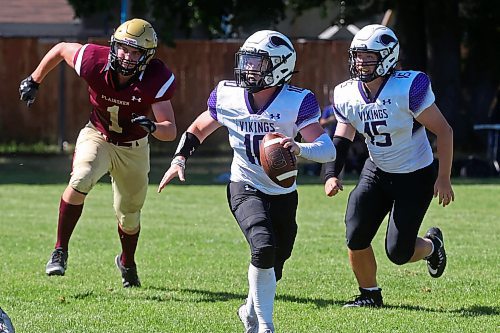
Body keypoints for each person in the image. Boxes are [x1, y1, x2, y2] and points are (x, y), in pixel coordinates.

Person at [158, 30, 336, 333]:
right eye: (247, 61)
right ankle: (264, 326)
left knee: (276, 261)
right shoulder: (228, 94)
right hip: (244, 185)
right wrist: (179, 159)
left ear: (279, 66)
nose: (249, 68)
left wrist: (299, 148)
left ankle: (249, 310)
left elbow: (327, 149)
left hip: (282, 191)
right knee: (263, 247)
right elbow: (199, 127)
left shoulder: (298, 101)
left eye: (257, 62)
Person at [18, 18, 177, 288]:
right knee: (81, 177)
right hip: (98, 134)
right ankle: (60, 250)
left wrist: (152, 127)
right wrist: (34, 79)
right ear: (113, 46)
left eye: (135, 51)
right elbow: (60, 49)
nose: (126, 56)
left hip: (133, 148)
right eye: (123, 48)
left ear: (146, 56)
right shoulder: (94, 59)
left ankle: (127, 261)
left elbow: (170, 130)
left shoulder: (155, 78)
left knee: (129, 215)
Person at [323, 24, 454, 307]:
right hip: (377, 171)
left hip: (415, 175)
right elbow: (343, 136)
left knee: (398, 252)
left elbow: (444, 131)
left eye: (369, 56)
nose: (361, 62)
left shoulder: (408, 86)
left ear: (388, 57)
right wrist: (331, 173)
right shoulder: (347, 93)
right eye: (358, 56)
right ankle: (369, 294)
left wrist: (443, 178)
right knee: (355, 233)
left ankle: (432, 246)